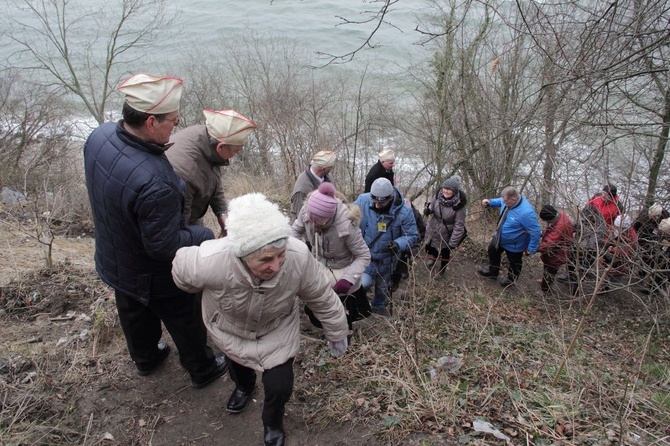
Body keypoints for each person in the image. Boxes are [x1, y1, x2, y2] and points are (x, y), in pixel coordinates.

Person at [83, 73, 227, 387]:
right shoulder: (156, 179)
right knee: (184, 317)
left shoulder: (100, 136)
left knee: (133, 310)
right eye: (172, 123)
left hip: (115, 255)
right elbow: (164, 247)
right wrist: (201, 235)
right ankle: (202, 369)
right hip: (154, 273)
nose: (175, 127)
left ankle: (146, 359)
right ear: (151, 122)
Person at [172, 193, 348, 446]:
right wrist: (191, 290)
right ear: (243, 254)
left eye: (280, 255)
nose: (276, 266)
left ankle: (273, 422)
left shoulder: (297, 256)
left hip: (277, 329)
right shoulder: (212, 260)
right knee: (239, 368)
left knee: (280, 386)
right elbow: (180, 269)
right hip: (230, 329)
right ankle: (244, 387)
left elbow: (321, 295)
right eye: (266, 259)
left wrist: (337, 332)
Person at [290, 182, 371, 331]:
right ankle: (326, 330)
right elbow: (294, 232)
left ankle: (344, 335)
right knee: (319, 306)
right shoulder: (307, 212)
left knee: (344, 310)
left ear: (329, 216)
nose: (313, 224)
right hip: (318, 264)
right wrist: (293, 253)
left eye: (318, 221)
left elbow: (363, 256)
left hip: (343, 269)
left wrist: (348, 278)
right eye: (311, 219)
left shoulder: (347, 226)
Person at [166, 109, 257, 237]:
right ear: (221, 146)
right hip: (176, 216)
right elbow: (180, 225)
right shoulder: (187, 172)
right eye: (235, 151)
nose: (233, 156)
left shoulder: (206, 136)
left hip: (189, 206)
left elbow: (213, 177)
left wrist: (222, 215)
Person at [354, 178, 419, 315]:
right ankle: (358, 306)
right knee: (362, 284)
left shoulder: (405, 212)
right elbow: (349, 219)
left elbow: (412, 235)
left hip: (388, 259)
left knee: (383, 287)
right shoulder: (362, 201)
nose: (377, 205)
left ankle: (378, 307)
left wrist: (398, 244)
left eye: (381, 202)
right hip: (366, 255)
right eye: (375, 201)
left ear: (390, 198)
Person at [478, 186, 541, 286]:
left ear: (513, 199)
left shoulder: (526, 213)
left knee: (514, 263)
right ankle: (493, 272)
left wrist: (531, 249)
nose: (503, 202)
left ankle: (511, 280)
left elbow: (535, 232)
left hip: (515, 243)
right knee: (492, 251)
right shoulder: (506, 200)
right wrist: (490, 202)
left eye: (506, 201)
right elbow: (500, 201)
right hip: (499, 237)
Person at [423, 176, 468, 276]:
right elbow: (432, 206)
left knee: (445, 252)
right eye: (445, 188)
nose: (446, 191)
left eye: (449, 190)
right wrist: (428, 210)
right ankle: (433, 258)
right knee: (432, 246)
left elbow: (459, 226)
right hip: (433, 227)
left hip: (447, 232)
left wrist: (452, 243)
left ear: (455, 191)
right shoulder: (438, 195)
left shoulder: (460, 205)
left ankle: (442, 269)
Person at [566, 205, 609, 295]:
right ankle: (571, 279)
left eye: (588, 216)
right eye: (585, 215)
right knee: (570, 264)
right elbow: (571, 225)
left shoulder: (601, 225)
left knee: (581, 270)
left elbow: (597, 240)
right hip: (577, 247)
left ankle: (575, 291)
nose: (586, 218)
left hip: (590, 252)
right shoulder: (582, 219)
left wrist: (586, 247)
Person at [289, 150, 336, 223]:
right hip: (309, 227)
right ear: (323, 169)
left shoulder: (328, 177)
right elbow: (300, 220)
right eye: (331, 167)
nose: (332, 168)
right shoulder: (302, 190)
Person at [537, 204, 574, 293]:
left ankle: (544, 290)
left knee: (550, 270)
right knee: (547, 267)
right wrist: (541, 233)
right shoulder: (560, 215)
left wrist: (532, 248)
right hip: (555, 250)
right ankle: (544, 282)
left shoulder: (560, 227)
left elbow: (549, 244)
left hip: (558, 253)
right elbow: (549, 228)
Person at [634, 204, 670, 292]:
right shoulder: (644, 216)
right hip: (648, 238)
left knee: (665, 268)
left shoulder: (665, 217)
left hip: (657, 239)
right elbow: (636, 226)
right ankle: (650, 284)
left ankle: (654, 288)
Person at [602, 214, 638, 280]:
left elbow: (628, 252)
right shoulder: (615, 229)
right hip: (611, 256)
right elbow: (608, 237)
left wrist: (615, 250)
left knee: (614, 277)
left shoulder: (632, 236)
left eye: (618, 228)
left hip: (621, 261)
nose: (616, 229)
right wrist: (608, 243)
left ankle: (609, 283)